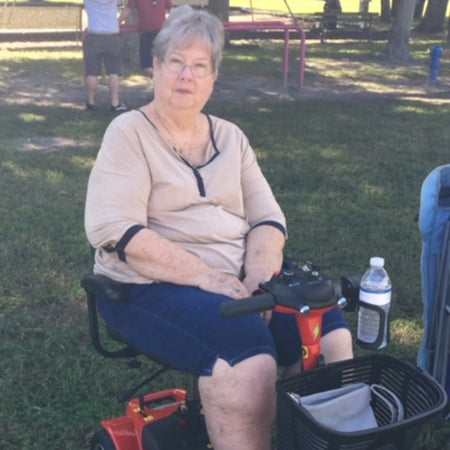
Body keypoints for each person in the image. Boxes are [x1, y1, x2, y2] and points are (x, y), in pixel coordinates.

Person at [84, 6, 353, 450]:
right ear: (154, 67)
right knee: (247, 360)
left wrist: (258, 283)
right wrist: (211, 279)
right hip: (147, 284)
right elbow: (119, 231)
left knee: (329, 330)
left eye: (199, 66)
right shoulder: (128, 133)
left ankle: (300, 439)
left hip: (239, 285)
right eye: (175, 62)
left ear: (213, 77)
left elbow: (268, 219)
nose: (186, 76)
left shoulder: (231, 137)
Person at [83, 0, 127, 112]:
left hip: (94, 35)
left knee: (92, 72)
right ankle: (115, 103)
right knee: (114, 72)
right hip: (112, 34)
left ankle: (91, 102)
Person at [119, 0, 172, 79]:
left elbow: (127, 10)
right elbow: (172, 10)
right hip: (161, 32)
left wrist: (117, 23)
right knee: (162, 60)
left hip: (147, 32)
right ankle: (162, 78)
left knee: (146, 65)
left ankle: (161, 78)